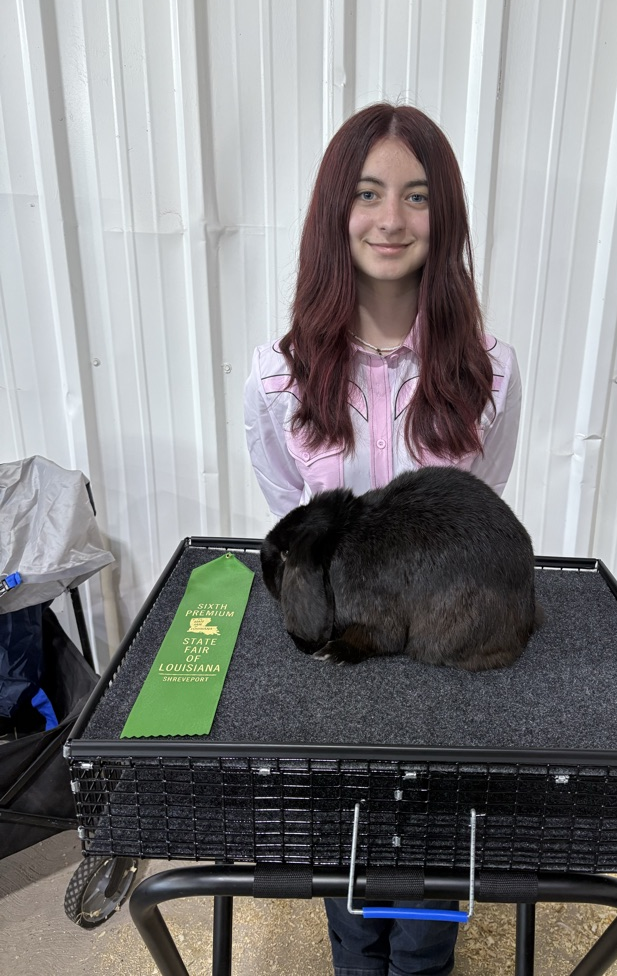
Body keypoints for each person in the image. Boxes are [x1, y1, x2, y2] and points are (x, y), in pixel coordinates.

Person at [244, 102, 521, 976]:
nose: (392, 219)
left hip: (442, 673)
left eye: (417, 196)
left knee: (432, 888)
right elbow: (294, 510)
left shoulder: (491, 367)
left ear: (446, 218)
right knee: (349, 884)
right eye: (368, 194)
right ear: (338, 210)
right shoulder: (276, 374)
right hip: (347, 667)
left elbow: (476, 506)